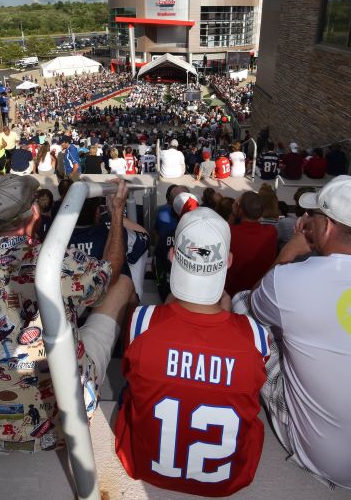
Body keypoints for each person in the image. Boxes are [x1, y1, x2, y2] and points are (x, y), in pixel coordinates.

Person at [0, 176, 136, 454]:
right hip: (60, 427)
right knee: (122, 283)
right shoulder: (60, 263)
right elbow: (110, 269)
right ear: (35, 212)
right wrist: (116, 211)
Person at [235, 176, 351, 489]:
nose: (306, 221)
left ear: (328, 227)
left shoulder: (289, 282)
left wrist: (288, 254)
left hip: (330, 462)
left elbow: (254, 305)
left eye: (314, 217)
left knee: (242, 305)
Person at [113, 208, 270, 496]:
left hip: (146, 467)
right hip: (227, 480)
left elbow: (131, 375)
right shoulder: (254, 335)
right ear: (229, 261)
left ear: (173, 256)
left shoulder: (142, 321)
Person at [225, 192, 278, 296]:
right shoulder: (271, 232)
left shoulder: (230, 231)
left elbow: (223, 230)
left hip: (232, 293)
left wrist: (233, 214)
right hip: (260, 291)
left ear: (240, 210)